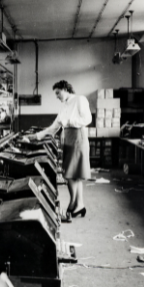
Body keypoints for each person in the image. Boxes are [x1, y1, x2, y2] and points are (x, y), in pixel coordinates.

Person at [32, 80, 93, 219]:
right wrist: (35, 137)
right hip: (69, 139)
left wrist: (69, 122)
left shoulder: (79, 99)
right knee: (75, 174)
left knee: (70, 174)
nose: (57, 96)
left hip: (78, 138)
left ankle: (73, 205)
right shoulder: (64, 106)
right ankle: (80, 206)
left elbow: (88, 119)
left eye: (58, 93)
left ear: (65, 89)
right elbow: (54, 127)